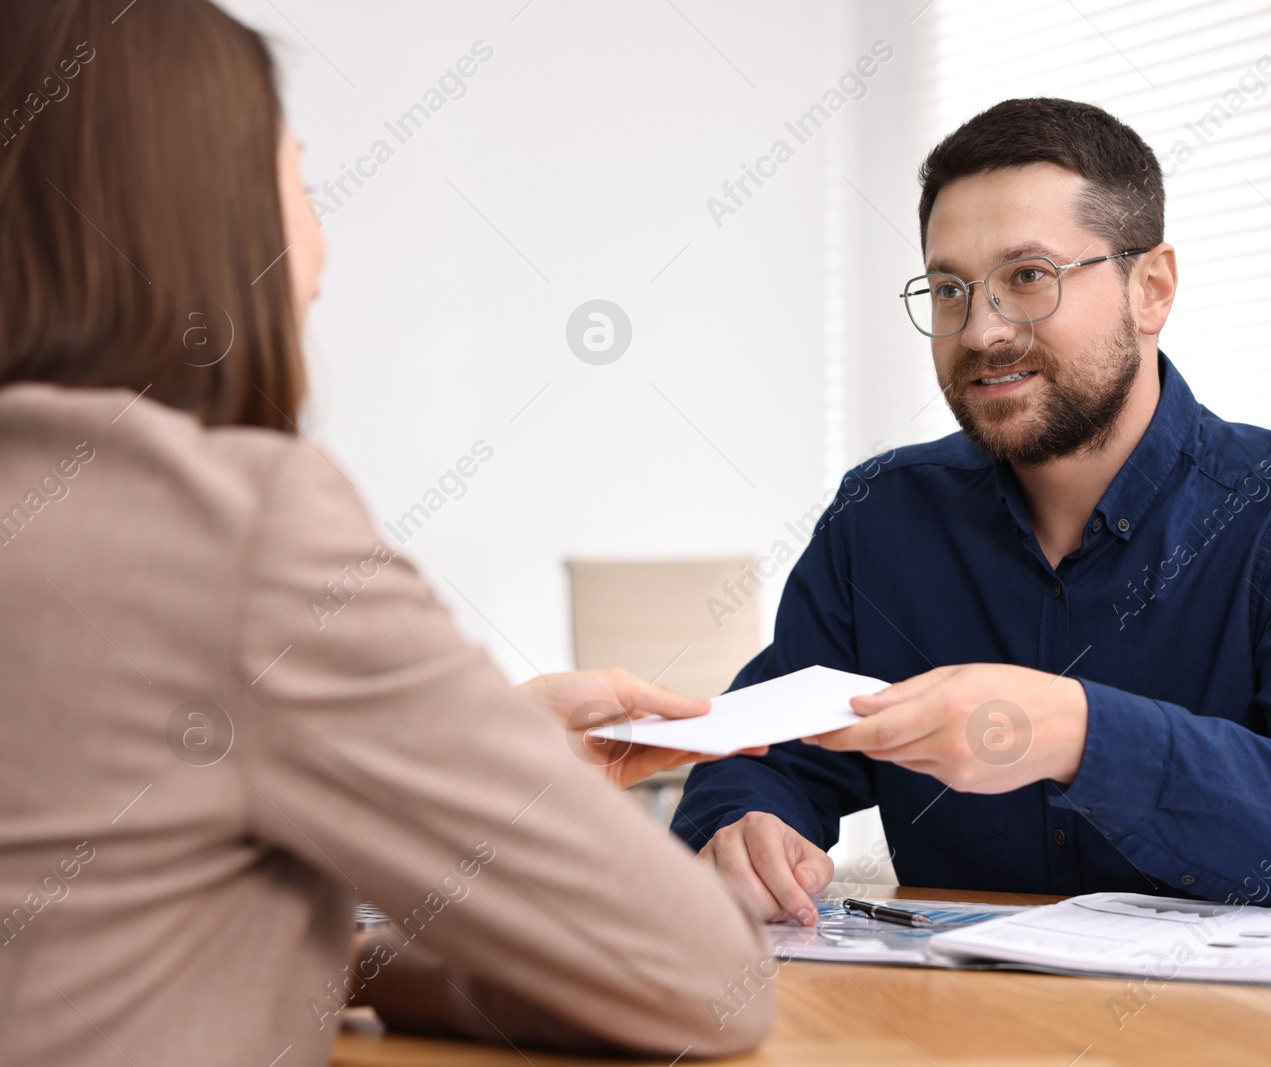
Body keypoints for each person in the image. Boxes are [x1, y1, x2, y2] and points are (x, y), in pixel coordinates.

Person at [0, 2, 772, 1063]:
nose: (321, 248)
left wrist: (435, 764)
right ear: (200, 216)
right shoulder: (237, 523)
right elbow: (713, 977)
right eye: (301, 181)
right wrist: (375, 938)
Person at [673, 97, 1271, 925]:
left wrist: (1079, 735)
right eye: (948, 289)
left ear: (1149, 289)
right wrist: (745, 826)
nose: (981, 330)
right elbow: (765, 749)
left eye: (1028, 277)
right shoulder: (882, 517)